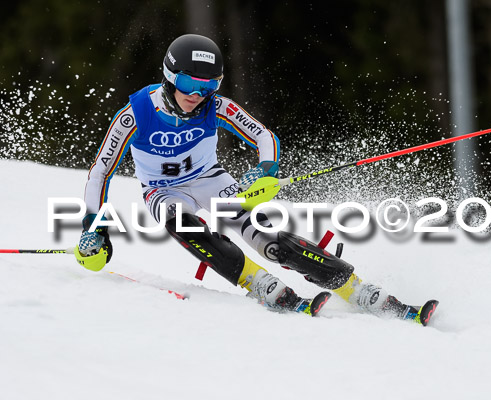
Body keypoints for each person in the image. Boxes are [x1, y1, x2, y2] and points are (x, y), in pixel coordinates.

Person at [76, 34, 436, 323]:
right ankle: (258, 283)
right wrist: (94, 224)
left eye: (208, 86)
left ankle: (355, 288)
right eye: (188, 83)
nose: (196, 95)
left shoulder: (215, 107)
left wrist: (265, 170)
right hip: (163, 190)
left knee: (271, 242)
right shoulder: (135, 113)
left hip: (212, 181)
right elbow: (100, 171)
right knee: (184, 225)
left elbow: (265, 138)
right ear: (170, 76)